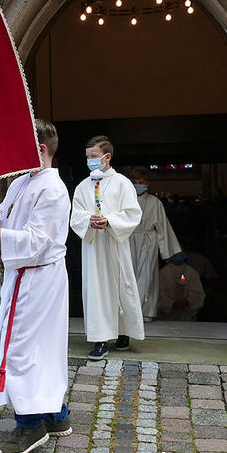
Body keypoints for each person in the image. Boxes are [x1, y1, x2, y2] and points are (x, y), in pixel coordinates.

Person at [0, 119, 72, 453]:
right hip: (25, 277)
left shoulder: (52, 190)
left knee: (21, 349)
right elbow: (6, 220)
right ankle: (55, 415)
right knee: (38, 347)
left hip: (39, 277)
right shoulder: (23, 182)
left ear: (40, 149)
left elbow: (37, 241)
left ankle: (30, 426)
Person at [70, 136, 143, 360]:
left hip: (115, 243)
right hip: (93, 247)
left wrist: (110, 221)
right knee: (97, 291)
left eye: (93, 156)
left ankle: (123, 333)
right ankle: (100, 339)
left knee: (121, 285)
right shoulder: (83, 186)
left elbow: (132, 213)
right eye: (88, 157)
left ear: (106, 157)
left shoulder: (122, 183)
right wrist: (88, 221)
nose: (90, 160)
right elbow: (76, 215)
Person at [128, 167, 182, 323]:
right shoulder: (125, 200)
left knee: (147, 275)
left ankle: (146, 311)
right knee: (128, 274)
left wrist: (167, 253)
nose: (138, 185)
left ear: (148, 183)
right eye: (135, 182)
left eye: (141, 182)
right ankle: (130, 312)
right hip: (128, 239)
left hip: (148, 241)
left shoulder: (155, 202)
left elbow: (163, 227)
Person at [157, 253, 206, 320]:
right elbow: (158, 294)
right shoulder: (163, 273)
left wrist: (187, 301)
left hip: (186, 317)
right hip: (167, 318)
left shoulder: (192, 273)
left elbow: (198, 294)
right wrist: (172, 303)